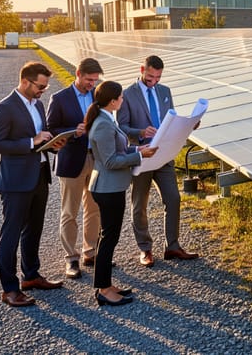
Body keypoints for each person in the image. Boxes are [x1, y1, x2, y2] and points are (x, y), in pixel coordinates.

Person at [0, 61, 68, 307]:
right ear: (25, 81)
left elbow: (40, 136)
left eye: (45, 87)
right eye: (40, 87)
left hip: (39, 175)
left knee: (33, 230)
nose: (43, 91)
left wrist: (51, 144)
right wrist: (31, 141)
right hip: (15, 180)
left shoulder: (39, 104)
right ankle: (10, 289)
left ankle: (31, 276)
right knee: (11, 234)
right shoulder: (4, 108)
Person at [118, 55, 198, 267]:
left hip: (164, 156)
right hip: (142, 155)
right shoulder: (127, 95)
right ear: (142, 69)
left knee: (173, 199)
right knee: (139, 204)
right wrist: (141, 131)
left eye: (158, 77)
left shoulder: (165, 91)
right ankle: (145, 249)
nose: (154, 81)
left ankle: (172, 246)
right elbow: (122, 127)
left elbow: (170, 119)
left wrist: (187, 125)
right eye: (150, 76)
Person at [86, 81, 157, 306]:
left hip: (111, 187)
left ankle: (105, 284)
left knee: (108, 237)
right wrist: (139, 157)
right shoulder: (103, 125)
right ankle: (103, 290)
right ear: (113, 101)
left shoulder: (107, 119)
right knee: (109, 238)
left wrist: (138, 150)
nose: (123, 100)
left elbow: (119, 150)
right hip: (108, 188)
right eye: (121, 98)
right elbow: (110, 161)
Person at [46, 57, 103, 279]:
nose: (92, 84)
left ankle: (91, 252)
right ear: (78, 74)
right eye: (89, 79)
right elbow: (51, 129)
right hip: (71, 160)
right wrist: (73, 131)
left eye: (95, 80)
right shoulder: (59, 98)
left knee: (94, 208)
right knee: (70, 212)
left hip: (95, 158)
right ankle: (71, 259)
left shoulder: (97, 96)